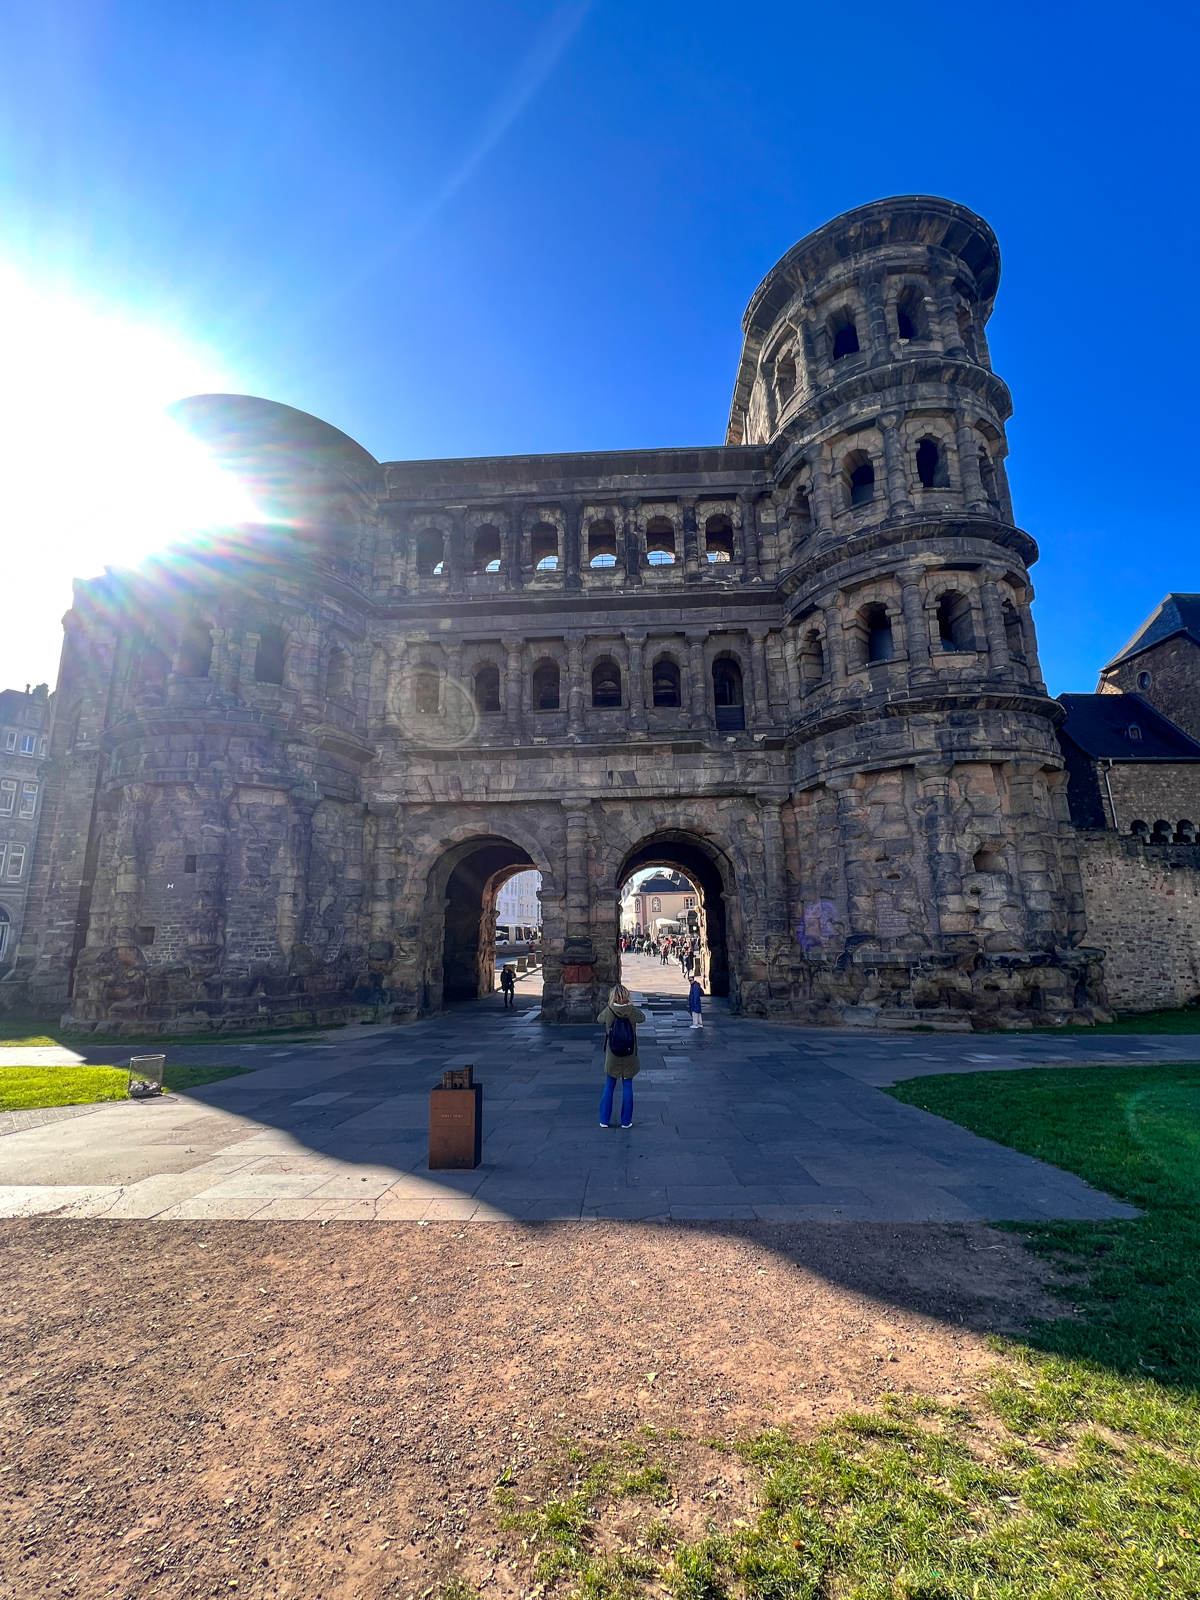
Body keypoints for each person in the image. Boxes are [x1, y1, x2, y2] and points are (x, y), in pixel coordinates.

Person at [596, 981, 646, 1129]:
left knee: (609, 1086)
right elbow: (642, 1018)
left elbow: (599, 1019)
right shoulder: (632, 1011)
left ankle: (604, 1120)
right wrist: (631, 1006)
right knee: (627, 1086)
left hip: (613, 1055)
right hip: (629, 1054)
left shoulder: (609, 1010)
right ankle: (626, 1121)